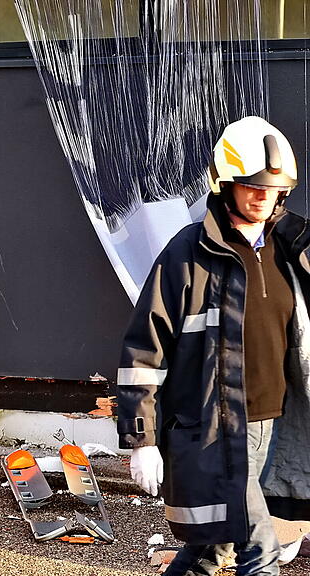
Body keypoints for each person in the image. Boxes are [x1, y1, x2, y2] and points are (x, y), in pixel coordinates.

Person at [118, 115, 310, 576]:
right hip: (214, 426)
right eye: (251, 186)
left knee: (213, 545)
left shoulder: (291, 248)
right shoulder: (189, 253)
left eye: (273, 187)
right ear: (225, 184)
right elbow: (144, 349)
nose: (263, 196)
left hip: (273, 423)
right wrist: (141, 439)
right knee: (259, 547)